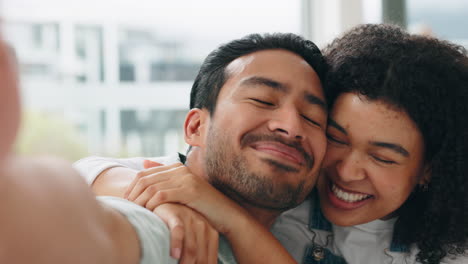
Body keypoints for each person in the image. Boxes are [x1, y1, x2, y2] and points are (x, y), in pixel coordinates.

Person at [77, 24, 468, 264]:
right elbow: (87, 174)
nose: (347, 172)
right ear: (194, 125)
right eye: (334, 136)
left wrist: (230, 218)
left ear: (429, 170)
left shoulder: (448, 251)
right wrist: (161, 198)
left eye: (383, 157)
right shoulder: (281, 190)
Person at [75, 32, 330, 263]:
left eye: (312, 118)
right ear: (196, 127)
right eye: (262, 100)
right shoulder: (163, 228)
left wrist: (236, 222)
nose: (292, 126)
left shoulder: (323, 221)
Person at [0, 32, 216, 264]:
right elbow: (83, 179)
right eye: (258, 101)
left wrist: (232, 218)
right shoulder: (165, 218)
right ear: (196, 126)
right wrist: (156, 197)